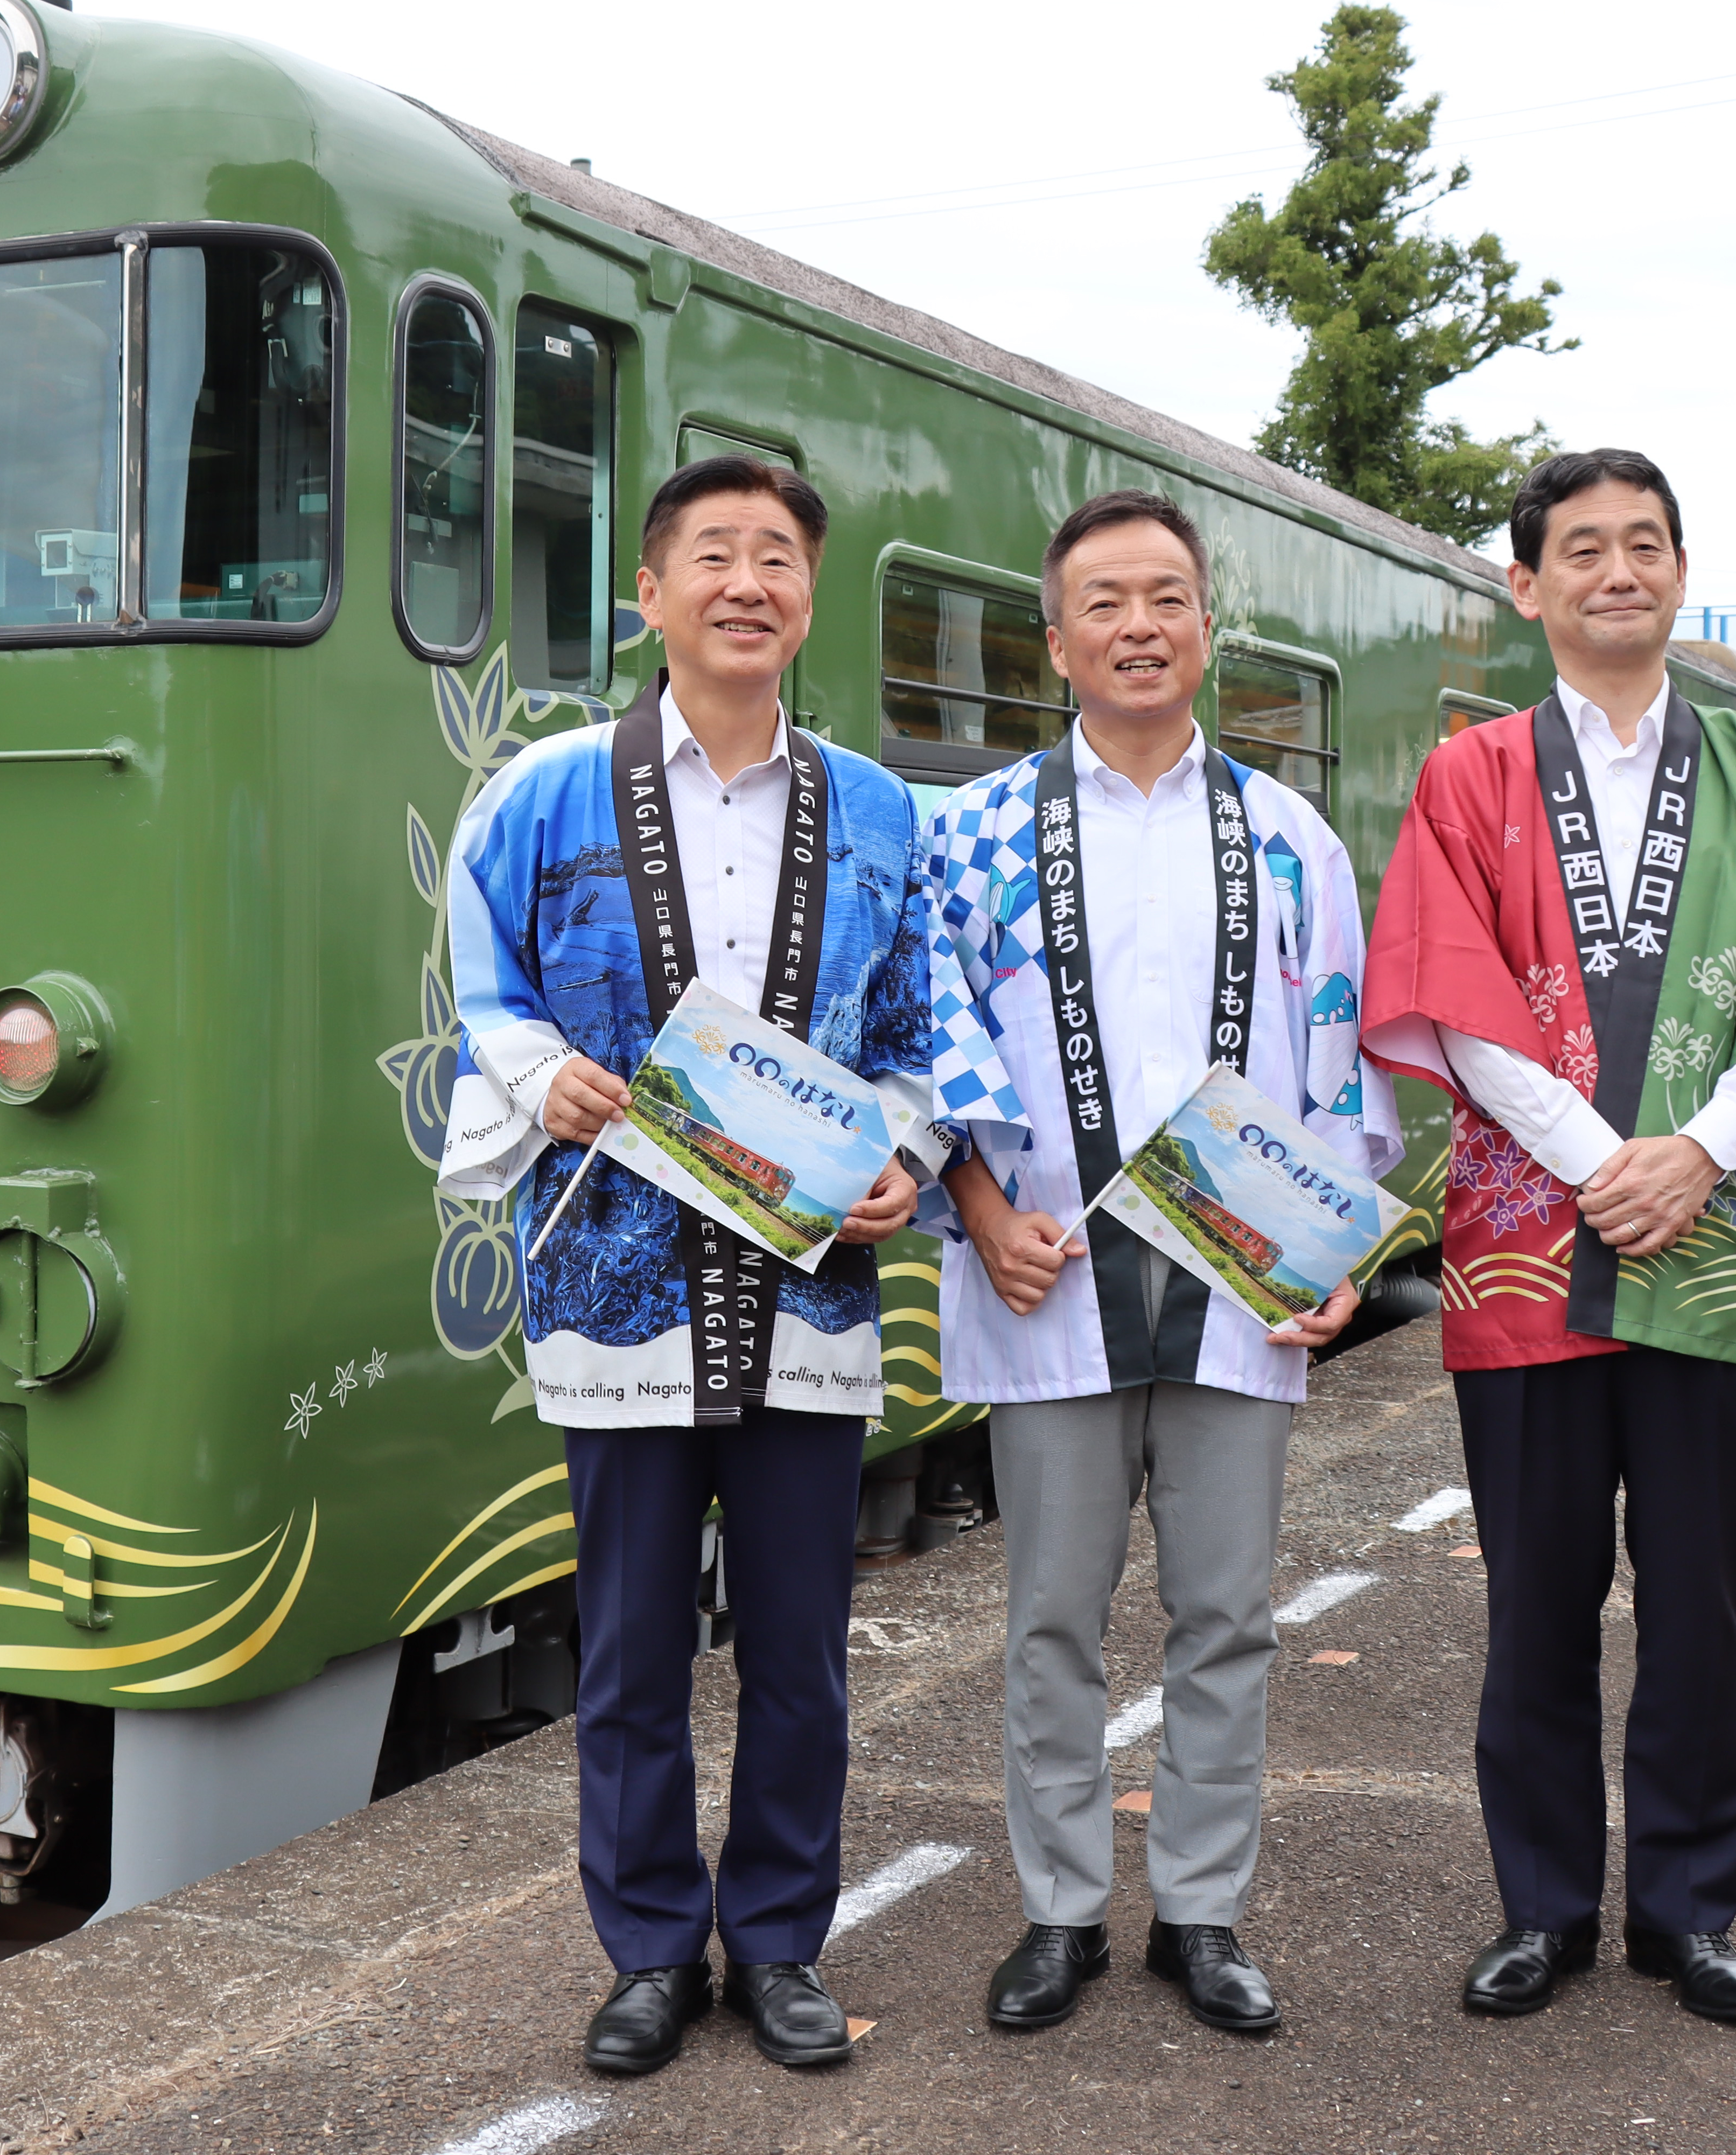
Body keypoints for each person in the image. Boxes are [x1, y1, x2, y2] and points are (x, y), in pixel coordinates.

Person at [1360, 448, 1736, 2029]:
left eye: (1643, 543)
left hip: (1713, 1245)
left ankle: (1688, 1910)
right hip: (1527, 1247)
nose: (1616, 570)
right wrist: (1608, 1163)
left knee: (1702, 1600)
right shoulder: (1469, 776)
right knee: (1533, 1598)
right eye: (1581, 548)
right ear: (1526, 585)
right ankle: (1542, 1907)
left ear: (1679, 571)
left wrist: (1697, 1152)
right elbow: (1451, 999)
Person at [438, 457, 942, 2075]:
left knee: (799, 1650)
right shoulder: (543, 790)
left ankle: (781, 1940)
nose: (746, 582)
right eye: (712, 554)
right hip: (618, 1286)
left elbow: (917, 1029)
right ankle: (651, 1948)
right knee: (631, 1647)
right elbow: (483, 978)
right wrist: (536, 1077)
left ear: (808, 597)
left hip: (810, 1287)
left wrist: (902, 1154)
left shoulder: (878, 810)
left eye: (776, 556)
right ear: (648, 593)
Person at [922, 492, 1402, 2038]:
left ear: (1206, 625)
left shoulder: (1288, 837)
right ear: (1054, 638)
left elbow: (1333, 1066)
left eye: (1167, 596)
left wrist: (1331, 1252)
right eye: (1105, 601)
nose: (1139, 624)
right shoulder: (974, 833)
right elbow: (930, 1046)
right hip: (1045, 1271)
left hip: (1235, 1283)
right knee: (1050, 1618)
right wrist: (976, 1208)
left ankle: (1200, 1908)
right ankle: (1059, 1910)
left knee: (1226, 1613)